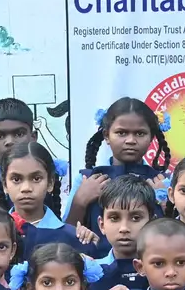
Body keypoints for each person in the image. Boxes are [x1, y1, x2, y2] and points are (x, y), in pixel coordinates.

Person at [68, 97, 172, 233]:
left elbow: (178, 234)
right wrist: (79, 201)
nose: (130, 140)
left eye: (140, 133)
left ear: (151, 137)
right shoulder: (86, 180)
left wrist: (165, 203)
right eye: (121, 133)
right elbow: (66, 235)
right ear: (106, 136)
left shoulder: (163, 184)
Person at [78, 175, 160, 290]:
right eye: (114, 218)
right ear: (102, 225)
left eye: (135, 218)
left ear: (152, 222)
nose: (124, 228)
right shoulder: (89, 273)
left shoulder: (165, 272)